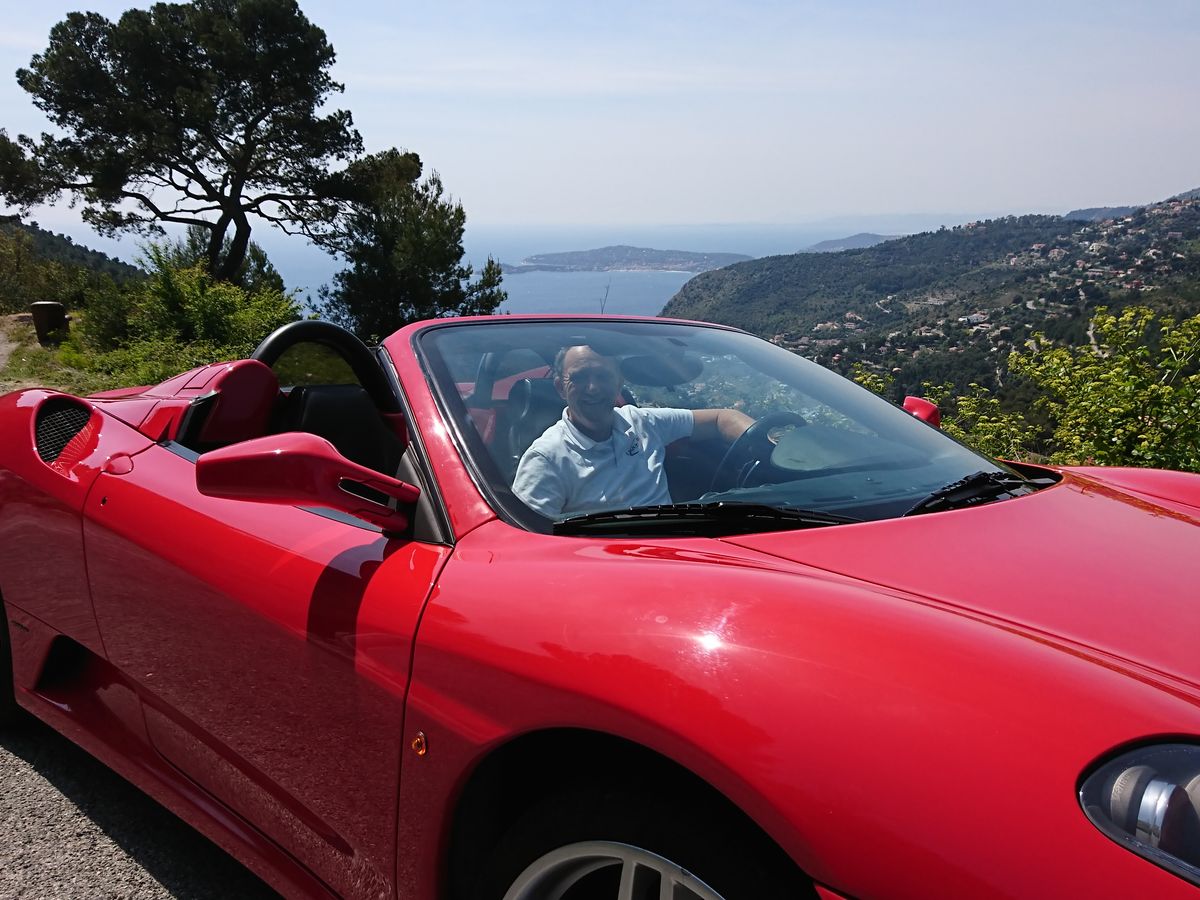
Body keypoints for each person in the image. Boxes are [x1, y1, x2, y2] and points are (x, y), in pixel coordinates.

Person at [512, 345, 754, 517]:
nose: (593, 387)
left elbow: (723, 418)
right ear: (560, 388)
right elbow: (524, 540)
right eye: (580, 377)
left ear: (619, 383)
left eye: (603, 376)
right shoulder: (546, 458)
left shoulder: (641, 422)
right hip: (616, 567)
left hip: (679, 550)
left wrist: (766, 444)